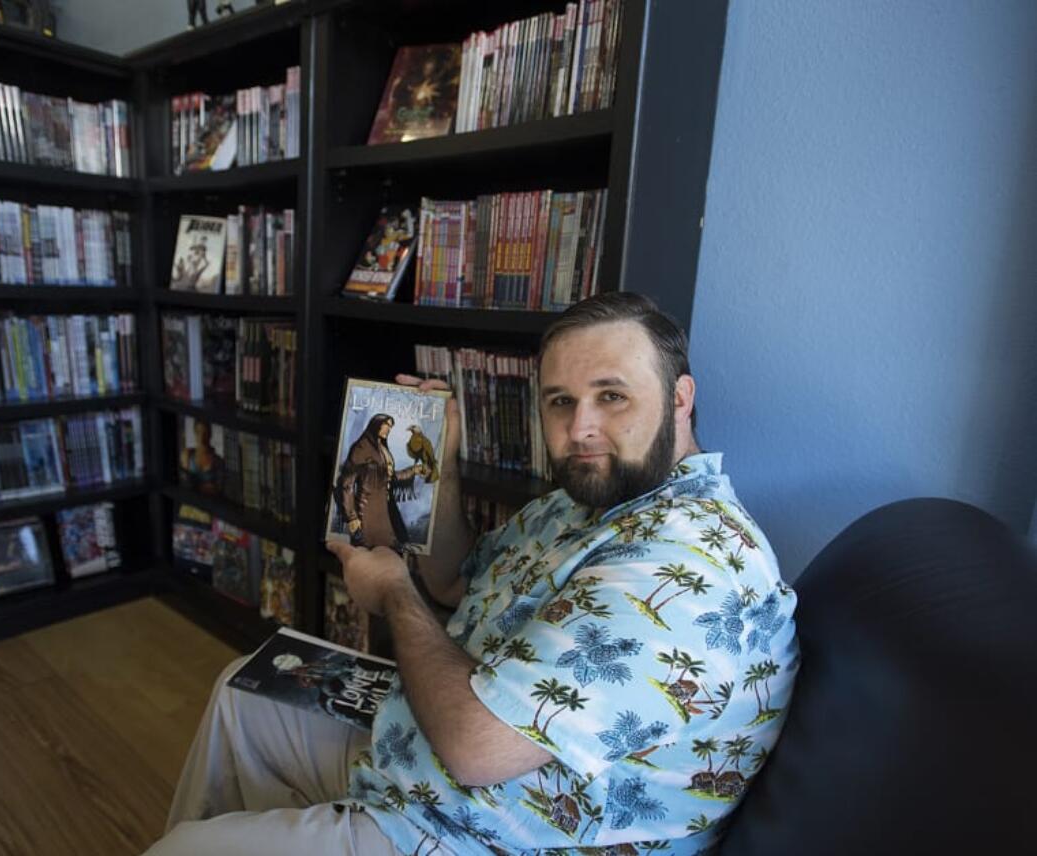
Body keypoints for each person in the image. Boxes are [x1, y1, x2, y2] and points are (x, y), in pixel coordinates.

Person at [144, 292, 800, 856]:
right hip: (428, 752)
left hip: (486, 832)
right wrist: (443, 471)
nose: (581, 429)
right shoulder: (588, 503)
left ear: (681, 398)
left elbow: (476, 750)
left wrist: (396, 593)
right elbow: (457, 582)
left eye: (612, 396)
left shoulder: (685, 564)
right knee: (246, 689)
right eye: (560, 402)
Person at [333, 413, 426, 549]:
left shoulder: (381, 448)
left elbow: (390, 477)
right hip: (369, 511)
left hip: (387, 507)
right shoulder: (361, 448)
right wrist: (352, 517)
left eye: (391, 426)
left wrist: (413, 470)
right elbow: (347, 484)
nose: (389, 429)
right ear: (377, 425)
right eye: (386, 425)